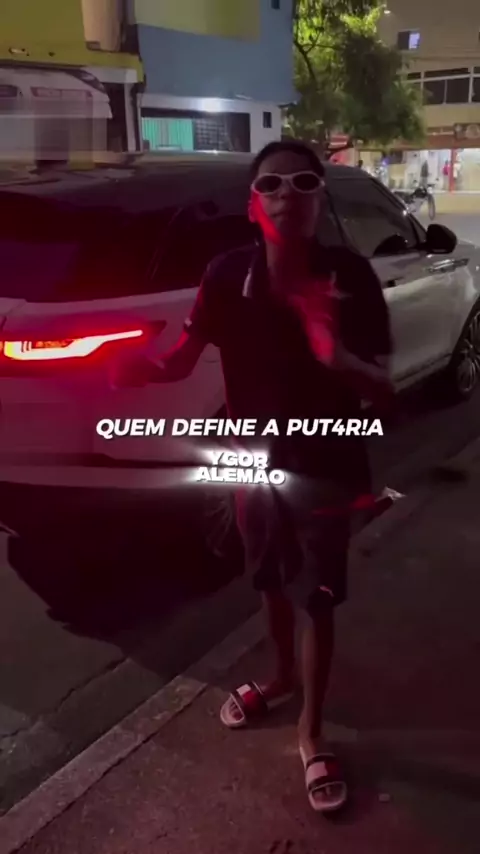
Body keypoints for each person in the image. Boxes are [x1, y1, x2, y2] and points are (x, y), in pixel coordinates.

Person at [113, 140, 394, 813]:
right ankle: (279, 677)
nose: (288, 193)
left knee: (316, 599)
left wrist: (339, 359)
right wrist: (139, 366)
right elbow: (180, 359)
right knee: (267, 579)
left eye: (304, 182)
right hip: (250, 462)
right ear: (252, 205)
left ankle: (311, 731)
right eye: (272, 184)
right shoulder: (225, 275)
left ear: (320, 199)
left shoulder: (350, 277)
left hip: (325, 467)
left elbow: (384, 390)